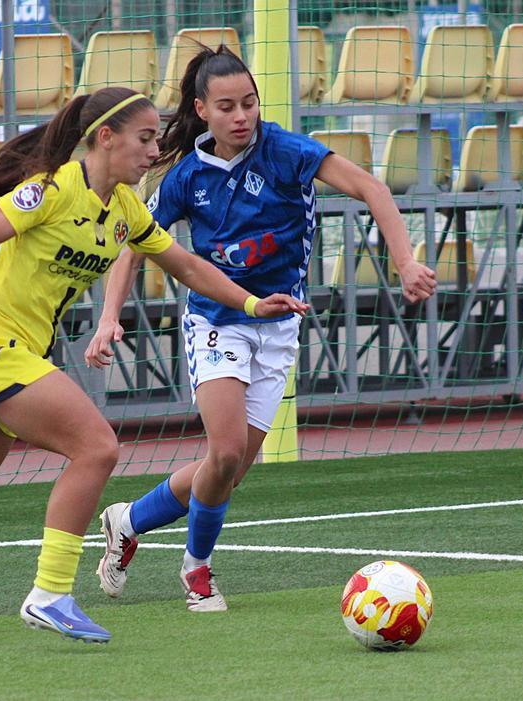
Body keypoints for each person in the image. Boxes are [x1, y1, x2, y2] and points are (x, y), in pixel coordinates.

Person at [0, 86, 308, 647]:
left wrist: (252, 304)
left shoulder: (124, 210)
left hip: (17, 355)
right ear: (105, 138)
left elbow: (186, 265)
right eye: (143, 139)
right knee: (96, 447)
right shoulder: (49, 191)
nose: (152, 152)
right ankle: (49, 594)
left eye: (156, 140)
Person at [86, 48, 437, 612]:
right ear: (202, 110)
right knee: (223, 452)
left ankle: (128, 520)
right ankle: (196, 571)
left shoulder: (286, 152)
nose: (241, 116)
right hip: (216, 320)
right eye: (226, 106)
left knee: (225, 471)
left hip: (278, 328)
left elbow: (372, 187)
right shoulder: (187, 177)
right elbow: (134, 240)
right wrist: (108, 319)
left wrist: (405, 263)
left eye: (248, 103)